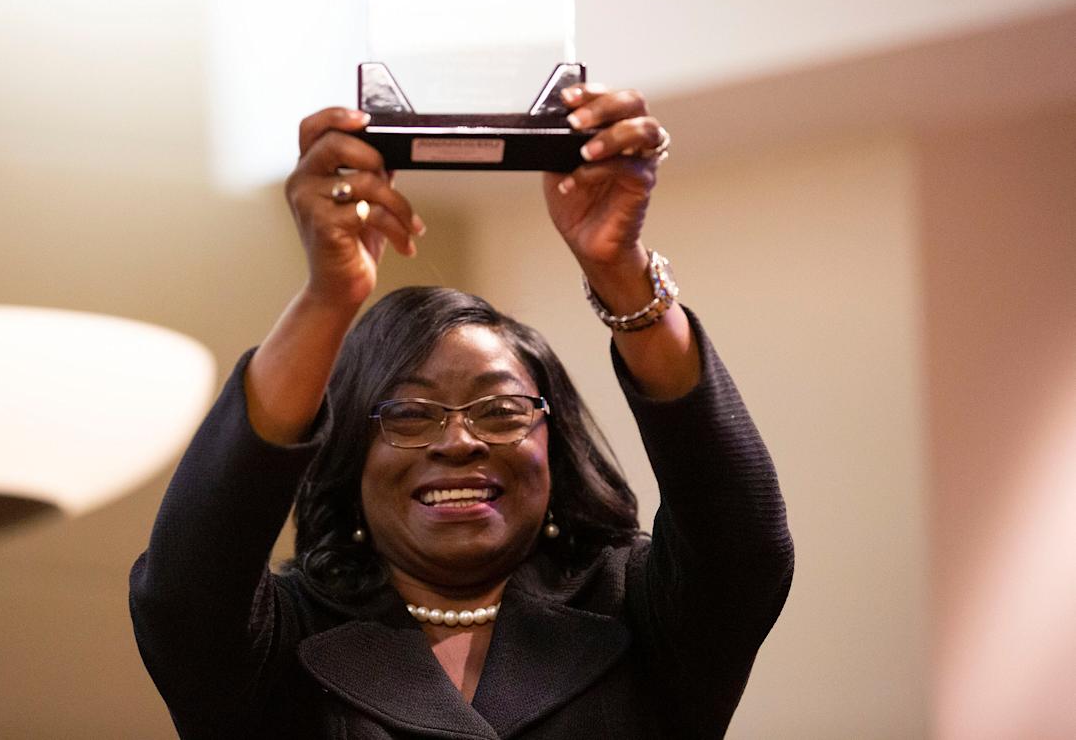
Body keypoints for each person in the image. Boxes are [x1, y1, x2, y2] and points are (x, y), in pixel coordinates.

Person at [129, 86, 794, 738]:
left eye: (502, 410)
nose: (457, 440)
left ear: (553, 447)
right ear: (350, 459)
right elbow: (186, 587)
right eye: (411, 414)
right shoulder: (283, 638)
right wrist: (328, 296)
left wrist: (619, 269)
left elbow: (742, 537)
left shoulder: (641, 612)